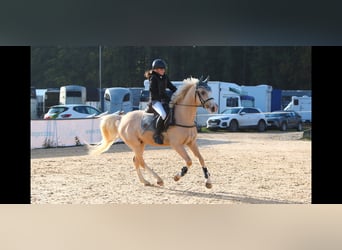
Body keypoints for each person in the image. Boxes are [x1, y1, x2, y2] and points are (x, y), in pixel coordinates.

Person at [144, 59, 177, 144]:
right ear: (155, 70)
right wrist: (164, 98)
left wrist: (179, 92)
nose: (163, 70)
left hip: (163, 100)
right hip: (155, 101)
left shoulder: (165, 77)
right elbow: (154, 92)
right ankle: (157, 134)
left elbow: (171, 86)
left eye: (163, 69)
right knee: (163, 114)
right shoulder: (153, 78)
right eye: (161, 69)